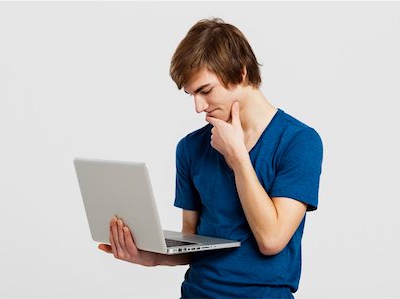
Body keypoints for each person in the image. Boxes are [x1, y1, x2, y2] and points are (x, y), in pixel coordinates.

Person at [98, 18, 323, 299]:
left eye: (205, 91)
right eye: (192, 95)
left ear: (240, 74)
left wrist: (239, 158)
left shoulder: (299, 142)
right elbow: (192, 242)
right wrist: (153, 256)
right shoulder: (190, 148)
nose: (198, 107)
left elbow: (271, 240)